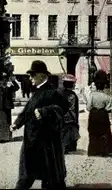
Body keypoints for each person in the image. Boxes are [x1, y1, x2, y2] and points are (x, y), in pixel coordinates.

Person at [10, 60, 69, 189]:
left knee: (48, 173)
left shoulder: (52, 92)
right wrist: (17, 123)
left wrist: (45, 112)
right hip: (32, 139)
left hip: (45, 140)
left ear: (41, 75)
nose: (30, 78)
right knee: (28, 171)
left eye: (33, 75)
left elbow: (63, 108)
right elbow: (27, 110)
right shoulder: (36, 91)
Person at [86, 70, 112, 157]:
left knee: (93, 133)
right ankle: (103, 151)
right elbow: (109, 108)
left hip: (94, 114)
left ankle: (93, 151)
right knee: (104, 133)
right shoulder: (107, 97)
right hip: (103, 115)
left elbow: (88, 107)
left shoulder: (92, 95)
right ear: (104, 85)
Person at [0, 72, 16, 143]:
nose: (4, 81)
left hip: (7, 108)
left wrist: (13, 81)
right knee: (0, 124)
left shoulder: (9, 89)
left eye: (5, 80)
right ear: (0, 81)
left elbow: (17, 87)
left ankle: (7, 137)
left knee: (7, 123)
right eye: (2, 80)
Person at [60, 74, 80, 154]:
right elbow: (75, 108)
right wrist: (76, 119)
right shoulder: (73, 95)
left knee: (62, 132)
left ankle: (62, 146)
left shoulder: (59, 93)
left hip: (61, 116)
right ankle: (68, 147)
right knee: (69, 133)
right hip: (71, 117)